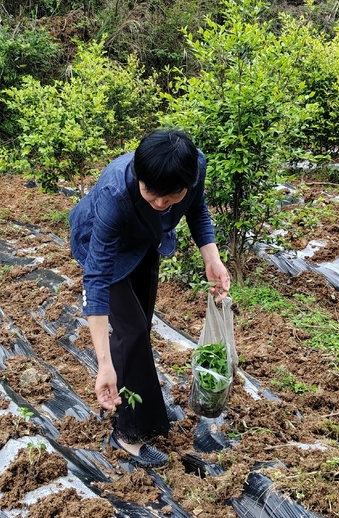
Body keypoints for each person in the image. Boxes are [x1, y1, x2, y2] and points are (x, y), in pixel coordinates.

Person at [69, 128, 230, 468]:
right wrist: (103, 363)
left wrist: (211, 257)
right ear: (139, 177)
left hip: (144, 242)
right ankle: (127, 433)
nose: (159, 204)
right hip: (103, 244)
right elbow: (96, 279)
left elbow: (197, 209)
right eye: (150, 194)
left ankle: (137, 406)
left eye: (169, 198)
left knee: (140, 321)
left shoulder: (194, 167)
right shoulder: (116, 192)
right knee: (129, 334)